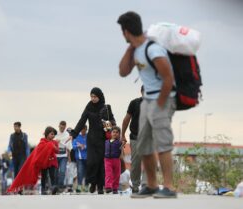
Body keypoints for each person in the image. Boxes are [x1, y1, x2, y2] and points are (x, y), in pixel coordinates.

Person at [117, 11, 177, 198]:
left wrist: (159, 104)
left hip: (163, 99)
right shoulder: (137, 50)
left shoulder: (153, 50)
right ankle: (151, 185)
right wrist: (130, 47)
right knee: (143, 144)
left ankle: (168, 186)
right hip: (147, 101)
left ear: (126, 31)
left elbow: (169, 78)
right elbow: (123, 71)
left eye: (122, 31)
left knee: (163, 143)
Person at [71, 87, 116, 194]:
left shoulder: (106, 108)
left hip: (102, 138)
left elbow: (113, 122)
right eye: (91, 96)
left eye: (95, 96)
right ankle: (93, 183)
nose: (93, 98)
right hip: (91, 139)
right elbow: (82, 120)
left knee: (101, 164)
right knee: (91, 162)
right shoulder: (89, 107)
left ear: (99, 97)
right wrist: (74, 133)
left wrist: (107, 122)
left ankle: (100, 186)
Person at [7, 126, 59, 195]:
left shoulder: (54, 142)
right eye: (51, 134)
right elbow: (38, 153)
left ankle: (53, 188)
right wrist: (50, 145)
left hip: (52, 162)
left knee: (52, 175)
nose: (53, 136)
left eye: (54, 135)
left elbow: (57, 151)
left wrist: (52, 145)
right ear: (47, 134)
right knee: (44, 176)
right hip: (44, 163)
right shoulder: (42, 142)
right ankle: (43, 189)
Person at [121, 85, 147, 193]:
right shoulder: (134, 103)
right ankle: (135, 185)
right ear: (141, 92)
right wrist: (123, 135)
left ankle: (146, 185)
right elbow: (126, 119)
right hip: (135, 137)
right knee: (136, 163)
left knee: (148, 161)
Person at [104, 126, 122, 194]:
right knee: (109, 173)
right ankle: (108, 187)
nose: (115, 133)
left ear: (119, 134)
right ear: (110, 133)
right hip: (107, 160)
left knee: (117, 174)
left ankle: (115, 188)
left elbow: (122, 151)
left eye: (117, 132)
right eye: (113, 132)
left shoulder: (119, 142)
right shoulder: (106, 141)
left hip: (116, 160)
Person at [55, 121, 71, 190]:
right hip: (55, 156)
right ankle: (55, 186)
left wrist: (69, 157)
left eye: (63, 127)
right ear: (59, 126)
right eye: (61, 126)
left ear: (65, 127)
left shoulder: (67, 135)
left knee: (62, 171)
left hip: (63, 156)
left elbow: (68, 147)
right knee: (55, 172)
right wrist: (56, 141)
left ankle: (60, 186)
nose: (62, 128)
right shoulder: (55, 134)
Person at [72, 125, 88, 193]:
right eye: (82, 129)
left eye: (84, 129)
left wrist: (84, 146)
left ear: (86, 129)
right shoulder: (77, 137)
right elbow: (73, 146)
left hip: (88, 157)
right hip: (79, 158)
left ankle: (86, 186)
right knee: (80, 172)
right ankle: (79, 186)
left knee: (87, 173)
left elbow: (91, 145)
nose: (83, 131)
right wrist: (78, 145)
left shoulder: (89, 136)